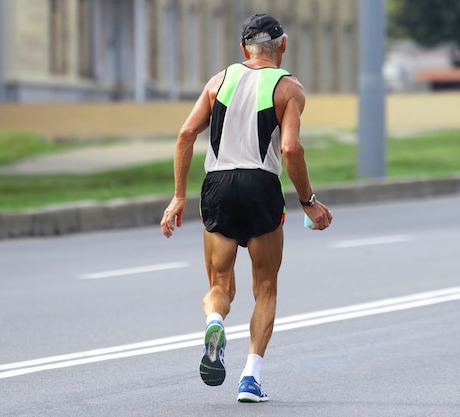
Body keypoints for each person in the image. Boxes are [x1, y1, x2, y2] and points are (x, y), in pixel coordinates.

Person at [160, 13, 333, 403]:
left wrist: (177, 197)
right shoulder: (289, 88)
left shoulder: (218, 81)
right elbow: (290, 148)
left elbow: (187, 133)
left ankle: (215, 321)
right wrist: (308, 201)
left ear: (243, 49)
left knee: (219, 286)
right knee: (266, 287)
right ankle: (250, 378)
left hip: (217, 185)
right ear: (282, 45)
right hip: (260, 186)